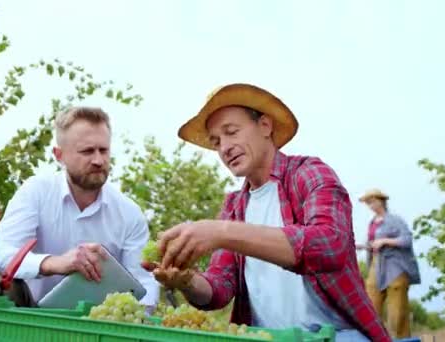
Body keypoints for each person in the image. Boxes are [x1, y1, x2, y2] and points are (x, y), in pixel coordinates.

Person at [143, 83, 392, 341]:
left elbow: (331, 244)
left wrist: (221, 232)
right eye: (216, 142)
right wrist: (188, 282)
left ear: (265, 126)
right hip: (267, 338)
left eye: (232, 132)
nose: (225, 148)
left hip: (334, 336)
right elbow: (219, 288)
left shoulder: (308, 173)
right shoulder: (234, 206)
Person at [0, 106, 159, 310]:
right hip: (31, 312)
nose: (98, 160)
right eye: (87, 151)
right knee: (1, 284)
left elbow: (144, 283)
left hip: (95, 320)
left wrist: (137, 317)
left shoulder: (129, 213)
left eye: (103, 150)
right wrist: (54, 263)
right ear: (59, 155)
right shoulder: (36, 192)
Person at [357, 189, 421, 339]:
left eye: (372, 201)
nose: (370, 205)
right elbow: (373, 244)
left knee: (397, 314)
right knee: (370, 307)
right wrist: (363, 246)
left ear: (381, 201)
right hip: (376, 266)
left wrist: (385, 241)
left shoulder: (394, 220)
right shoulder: (372, 223)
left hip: (396, 268)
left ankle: (402, 340)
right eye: (368, 203)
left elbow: (407, 239)